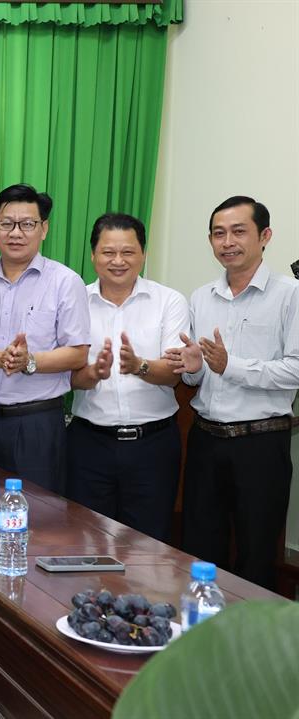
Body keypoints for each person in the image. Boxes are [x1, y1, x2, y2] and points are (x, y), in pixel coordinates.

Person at [165, 196, 298, 588]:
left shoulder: (290, 294)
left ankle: (248, 630)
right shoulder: (200, 296)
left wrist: (230, 365)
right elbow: (197, 379)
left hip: (261, 444)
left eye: (239, 231)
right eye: (218, 233)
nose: (227, 242)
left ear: (265, 236)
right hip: (206, 439)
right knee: (199, 552)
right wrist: (193, 369)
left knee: (256, 556)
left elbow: (295, 370)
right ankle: (202, 625)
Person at [66, 214, 189, 541]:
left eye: (128, 252)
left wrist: (138, 366)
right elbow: (67, 379)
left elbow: (174, 375)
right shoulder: (74, 301)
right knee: (86, 541)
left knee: (149, 545)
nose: (118, 261)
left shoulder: (169, 301)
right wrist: (93, 373)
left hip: (153, 445)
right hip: (89, 443)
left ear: (143, 254)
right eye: (108, 252)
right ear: (93, 255)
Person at [0, 184, 89, 494]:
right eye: (7, 223)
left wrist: (30, 361)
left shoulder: (65, 282)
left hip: (38, 422)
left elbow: (78, 354)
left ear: (44, 229)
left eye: (27, 224)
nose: (16, 233)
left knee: (39, 514)